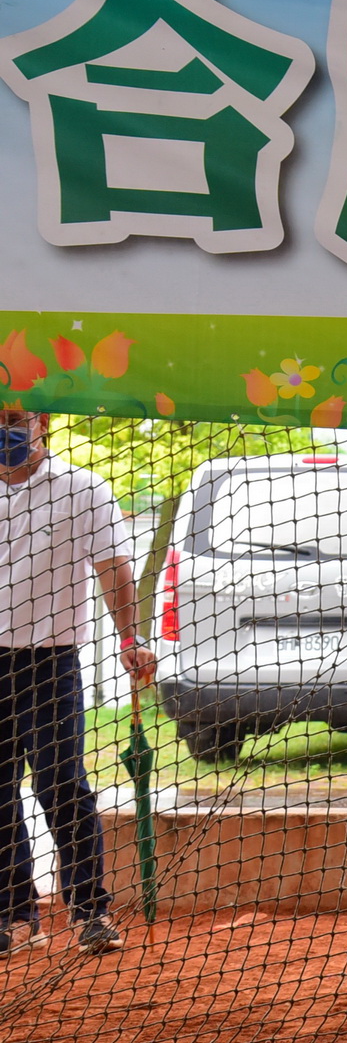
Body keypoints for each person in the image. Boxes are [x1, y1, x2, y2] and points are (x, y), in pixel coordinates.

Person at [0, 405, 153, 957]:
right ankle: (17, 917)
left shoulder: (82, 488)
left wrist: (131, 638)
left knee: (59, 783)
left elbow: (114, 566)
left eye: (15, 417)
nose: (6, 429)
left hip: (51, 660)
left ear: (41, 420)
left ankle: (91, 912)